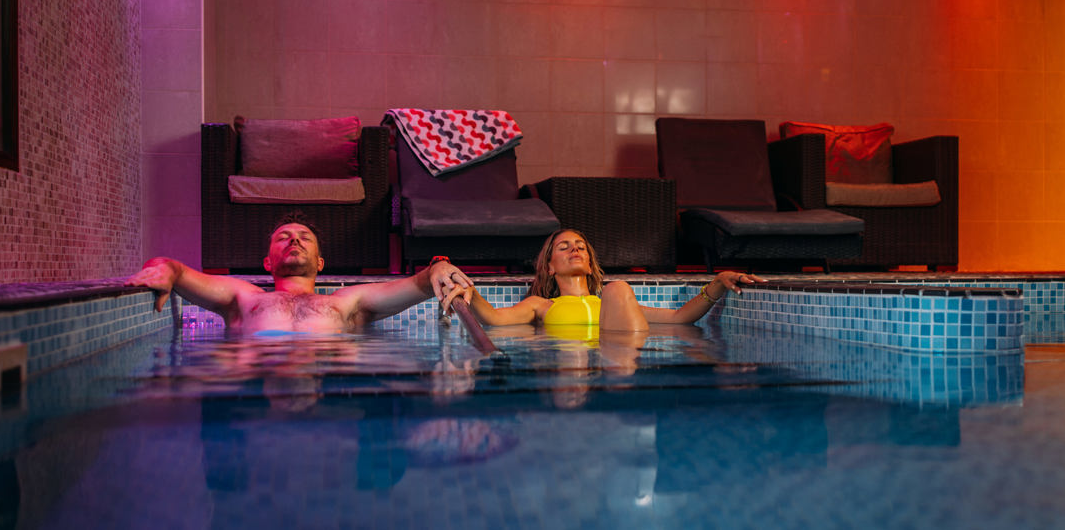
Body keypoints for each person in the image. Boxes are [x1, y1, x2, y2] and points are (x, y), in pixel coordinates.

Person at [126, 213, 473, 333]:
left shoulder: (346, 302)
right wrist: (162, 269)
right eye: (284, 238)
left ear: (320, 263)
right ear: (267, 262)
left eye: (305, 238)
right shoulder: (245, 297)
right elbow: (176, 270)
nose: (295, 240)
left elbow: (418, 282)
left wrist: (438, 267)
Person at [443, 228, 761, 332]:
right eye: (564, 247)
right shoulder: (541, 305)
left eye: (580, 246)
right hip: (580, 366)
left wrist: (717, 284)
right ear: (550, 267)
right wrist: (468, 289)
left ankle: (624, 382)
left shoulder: (612, 301)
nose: (575, 250)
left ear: (591, 261)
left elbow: (679, 319)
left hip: (623, 355)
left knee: (619, 288)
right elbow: (496, 321)